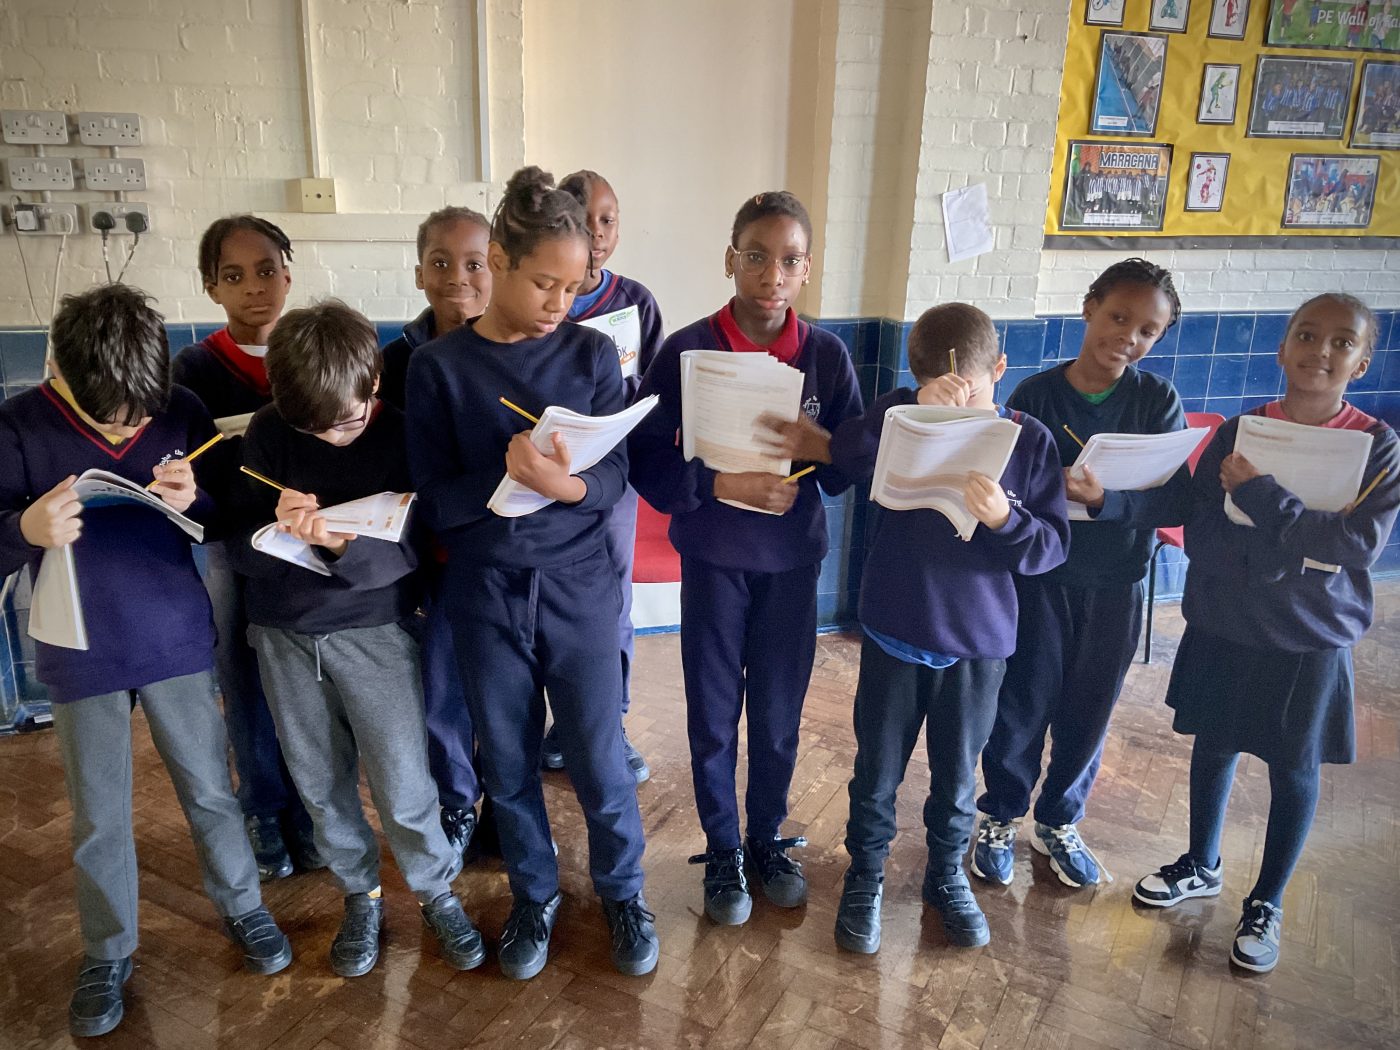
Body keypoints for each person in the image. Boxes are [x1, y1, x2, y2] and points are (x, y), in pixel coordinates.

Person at [0, 284, 292, 1038]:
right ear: (60, 370)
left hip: (173, 633)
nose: (131, 426)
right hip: (78, 646)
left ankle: (244, 905)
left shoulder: (180, 409)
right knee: (99, 813)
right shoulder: (19, 426)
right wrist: (24, 529)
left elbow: (221, 517)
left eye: (141, 414)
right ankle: (107, 949)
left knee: (210, 789)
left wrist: (195, 500)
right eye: (113, 419)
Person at [406, 166, 658, 980]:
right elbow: (429, 499)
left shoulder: (590, 352)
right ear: (499, 262)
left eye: (573, 286)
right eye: (545, 283)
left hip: (580, 585)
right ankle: (534, 894)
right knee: (508, 761)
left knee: (598, 751)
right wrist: (503, 476)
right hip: (484, 591)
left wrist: (565, 484)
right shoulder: (440, 367)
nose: (559, 302)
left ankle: (623, 891)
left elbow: (615, 475)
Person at [770, 302, 1069, 953]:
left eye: (973, 390)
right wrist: (909, 407)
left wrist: (1005, 520)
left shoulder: (1030, 440)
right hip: (896, 629)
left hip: (979, 642)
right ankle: (866, 874)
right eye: (942, 389)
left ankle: (946, 874)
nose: (960, 404)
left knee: (958, 777)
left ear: (1001, 370)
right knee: (877, 771)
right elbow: (846, 457)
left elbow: (1051, 548)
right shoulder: (900, 415)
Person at [1134, 293, 1399, 974]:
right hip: (1229, 621)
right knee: (1214, 744)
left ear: (1362, 362)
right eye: (1306, 335)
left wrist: (1261, 499)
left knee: (1294, 766)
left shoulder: (1376, 445)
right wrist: (1292, 550)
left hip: (1310, 636)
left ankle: (1267, 900)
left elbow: (1355, 546)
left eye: (1342, 342)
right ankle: (1202, 862)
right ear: (1282, 348)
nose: (1320, 351)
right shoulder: (1240, 433)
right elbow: (1202, 530)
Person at [630, 191, 862, 926]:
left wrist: (822, 446)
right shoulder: (686, 350)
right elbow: (647, 459)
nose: (772, 274)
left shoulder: (826, 355)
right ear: (731, 259)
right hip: (714, 558)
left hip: (791, 562)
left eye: (789, 260)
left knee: (779, 710)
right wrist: (719, 484)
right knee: (713, 710)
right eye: (756, 257)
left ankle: (766, 836)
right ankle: (723, 846)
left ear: (806, 269)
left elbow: (848, 468)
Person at [233, 300, 485, 978]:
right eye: (311, 427)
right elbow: (238, 540)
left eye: (344, 421)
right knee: (319, 781)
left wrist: (342, 546)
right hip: (284, 633)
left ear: (374, 382)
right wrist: (273, 524)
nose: (330, 437)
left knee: (403, 779)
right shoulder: (270, 427)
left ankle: (435, 890)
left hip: (376, 629)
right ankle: (360, 893)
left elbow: (415, 544)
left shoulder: (401, 431)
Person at [974, 258, 1186, 889]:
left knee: (1090, 710)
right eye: (1118, 316)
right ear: (1090, 307)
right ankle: (1000, 813)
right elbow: (1003, 488)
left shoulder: (1155, 400)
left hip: (1118, 581)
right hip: (1042, 581)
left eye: (1147, 330)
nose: (1128, 337)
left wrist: (1105, 502)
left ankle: (1059, 820)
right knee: (1022, 703)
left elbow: (1176, 500)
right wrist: (1047, 491)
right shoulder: (1036, 396)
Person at [172, 214, 319, 881]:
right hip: (231, 545)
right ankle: (262, 805)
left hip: (306, 541)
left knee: (308, 680)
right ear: (212, 288)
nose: (254, 287)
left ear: (287, 273)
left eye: (266, 270)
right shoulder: (194, 369)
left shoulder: (309, 350)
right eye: (234, 276)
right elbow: (190, 468)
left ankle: (312, 807)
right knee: (243, 675)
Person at [538, 169, 666, 782]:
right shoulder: (541, 299)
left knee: (612, 600)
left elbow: (658, 391)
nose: (596, 232)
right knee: (549, 605)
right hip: (544, 477)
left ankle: (609, 722)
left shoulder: (635, 302)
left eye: (607, 220)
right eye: (583, 218)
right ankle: (559, 721)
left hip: (612, 480)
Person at [379, 205, 494, 863]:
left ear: (498, 267)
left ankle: (504, 799)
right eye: (441, 262)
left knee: (505, 687)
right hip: (429, 554)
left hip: (500, 554)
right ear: (419, 272)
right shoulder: (394, 362)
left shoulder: (516, 352)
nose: (458, 278)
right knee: (441, 687)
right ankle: (455, 800)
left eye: (475, 263)